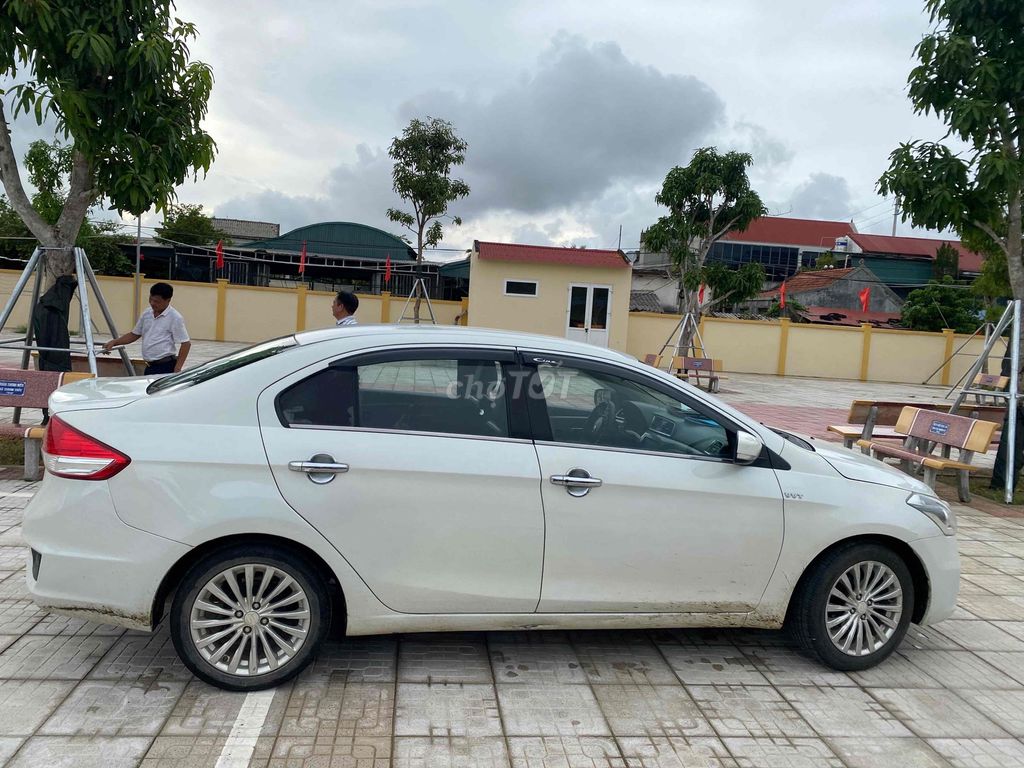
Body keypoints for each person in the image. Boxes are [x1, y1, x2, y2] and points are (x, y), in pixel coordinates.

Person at [102, 282, 191, 375]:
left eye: (157, 301)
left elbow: (186, 344)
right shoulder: (147, 313)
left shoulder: (175, 317)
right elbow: (134, 334)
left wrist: (177, 368)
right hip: (149, 366)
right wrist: (115, 342)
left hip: (165, 366)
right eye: (151, 299)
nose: (152, 303)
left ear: (168, 300)